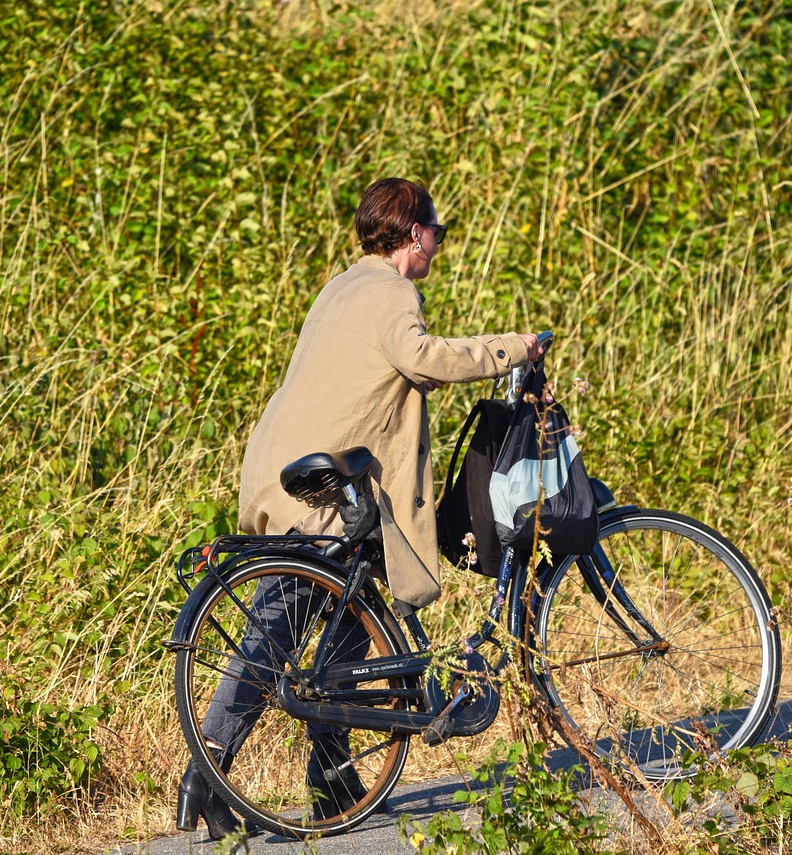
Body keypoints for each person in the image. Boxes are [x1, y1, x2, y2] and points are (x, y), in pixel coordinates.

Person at [175, 177, 545, 838]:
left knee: (354, 612)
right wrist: (511, 348)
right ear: (413, 234)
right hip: (312, 491)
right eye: (437, 231)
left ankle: (334, 781)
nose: (440, 243)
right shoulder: (392, 291)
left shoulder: (344, 284)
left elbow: (392, 370)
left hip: (295, 472)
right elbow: (420, 356)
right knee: (276, 630)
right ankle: (205, 773)